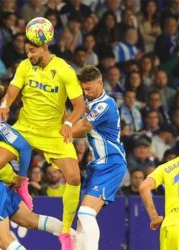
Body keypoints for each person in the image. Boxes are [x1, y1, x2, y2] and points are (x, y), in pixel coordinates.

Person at [0, 21, 85, 249]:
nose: (28, 54)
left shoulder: (64, 70)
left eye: (32, 51)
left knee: (74, 177)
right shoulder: (25, 66)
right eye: (26, 50)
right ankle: (20, 183)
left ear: (45, 47)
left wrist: (68, 122)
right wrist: (5, 104)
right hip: (24, 128)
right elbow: (13, 90)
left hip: (53, 133)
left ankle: (65, 232)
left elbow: (79, 105)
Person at [0, 77, 73, 249]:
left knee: (3, 239)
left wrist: (22, 177)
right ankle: (77, 239)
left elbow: (23, 146)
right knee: (31, 221)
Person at [71, 65, 127, 250]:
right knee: (82, 221)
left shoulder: (105, 105)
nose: (86, 93)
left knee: (86, 213)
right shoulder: (91, 104)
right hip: (98, 165)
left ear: (101, 83)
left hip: (111, 163)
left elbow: (78, 129)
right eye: (83, 89)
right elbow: (71, 125)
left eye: (89, 89)